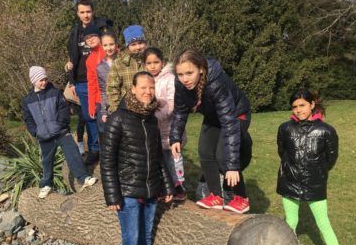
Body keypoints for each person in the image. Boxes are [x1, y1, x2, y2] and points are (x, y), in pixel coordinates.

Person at [101, 71, 174, 245]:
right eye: (143, 87)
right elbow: (107, 160)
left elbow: (158, 157)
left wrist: (167, 185)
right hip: (128, 192)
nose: (147, 91)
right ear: (132, 89)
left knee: (146, 239)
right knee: (130, 244)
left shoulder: (151, 119)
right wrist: (112, 196)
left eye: (151, 87)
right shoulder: (118, 119)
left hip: (151, 190)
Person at [277, 89, 356, 245]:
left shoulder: (326, 131)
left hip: (315, 184)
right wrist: (292, 171)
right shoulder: (285, 128)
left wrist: (317, 173)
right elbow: (282, 151)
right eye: (294, 106)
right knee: (291, 221)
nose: (298, 110)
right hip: (290, 182)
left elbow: (331, 158)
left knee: (324, 224)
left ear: (312, 104)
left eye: (302, 105)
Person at [170, 49, 253, 213]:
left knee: (223, 156)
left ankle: (241, 197)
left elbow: (229, 122)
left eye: (189, 73)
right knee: (205, 151)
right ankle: (216, 196)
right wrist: (175, 137)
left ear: (201, 69)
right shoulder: (180, 84)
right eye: (180, 74)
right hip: (213, 116)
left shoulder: (215, 83)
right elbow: (180, 111)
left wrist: (232, 166)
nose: (185, 79)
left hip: (236, 115)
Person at [22, 66, 97, 199]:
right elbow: (28, 118)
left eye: (45, 79)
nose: (44, 82)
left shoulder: (55, 92)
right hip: (44, 136)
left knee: (73, 154)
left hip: (61, 132)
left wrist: (60, 124)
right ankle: (46, 185)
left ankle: (84, 178)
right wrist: (36, 131)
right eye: (40, 80)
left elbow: (64, 108)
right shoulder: (27, 100)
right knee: (47, 161)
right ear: (33, 81)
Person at [66, 0, 113, 165]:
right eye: (82, 12)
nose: (85, 15)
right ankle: (95, 149)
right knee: (89, 117)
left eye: (88, 11)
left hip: (103, 81)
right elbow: (72, 57)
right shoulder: (75, 33)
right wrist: (71, 80)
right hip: (82, 81)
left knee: (107, 116)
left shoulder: (102, 28)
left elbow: (112, 48)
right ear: (77, 14)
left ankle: (110, 149)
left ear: (92, 12)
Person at [143, 47, 187, 201]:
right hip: (154, 129)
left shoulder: (170, 79)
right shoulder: (146, 79)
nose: (153, 66)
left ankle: (179, 186)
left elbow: (171, 103)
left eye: (156, 62)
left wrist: (156, 117)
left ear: (162, 62)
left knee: (173, 158)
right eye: (149, 63)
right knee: (158, 160)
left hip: (170, 127)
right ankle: (165, 187)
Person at [87, 29, 118, 142]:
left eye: (93, 36)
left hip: (120, 100)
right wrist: (91, 105)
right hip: (101, 101)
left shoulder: (118, 56)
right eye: (87, 38)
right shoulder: (90, 60)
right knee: (104, 132)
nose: (90, 40)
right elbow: (92, 84)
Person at [106, 25, 147, 113]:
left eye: (140, 43)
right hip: (127, 109)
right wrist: (117, 110)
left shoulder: (150, 59)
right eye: (133, 44)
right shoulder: (119, 63)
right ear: (128, 46)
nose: (138, 47)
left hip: (148, 107)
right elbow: (112, 89)